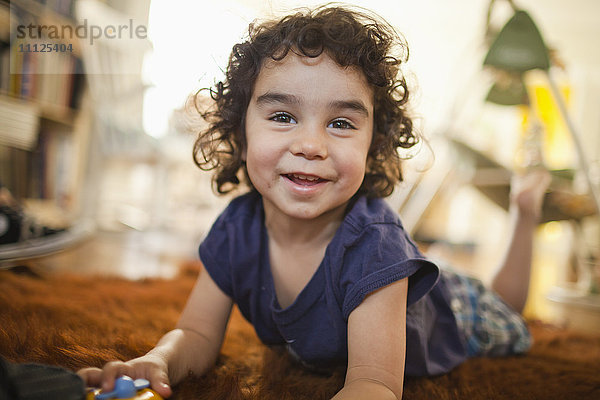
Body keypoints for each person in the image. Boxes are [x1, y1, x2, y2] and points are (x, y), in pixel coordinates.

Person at [78, 5, 551, 399]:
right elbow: (198, 336)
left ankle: (523, 213)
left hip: (453, 312)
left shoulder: (374, 247)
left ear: (374, 142)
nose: (311, 144)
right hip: (406, 274)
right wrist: (157, 360)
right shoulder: (237, 228)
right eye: (283, 115)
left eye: (341, 123)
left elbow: (373, 382)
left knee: (506, 308)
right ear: (240, 129)